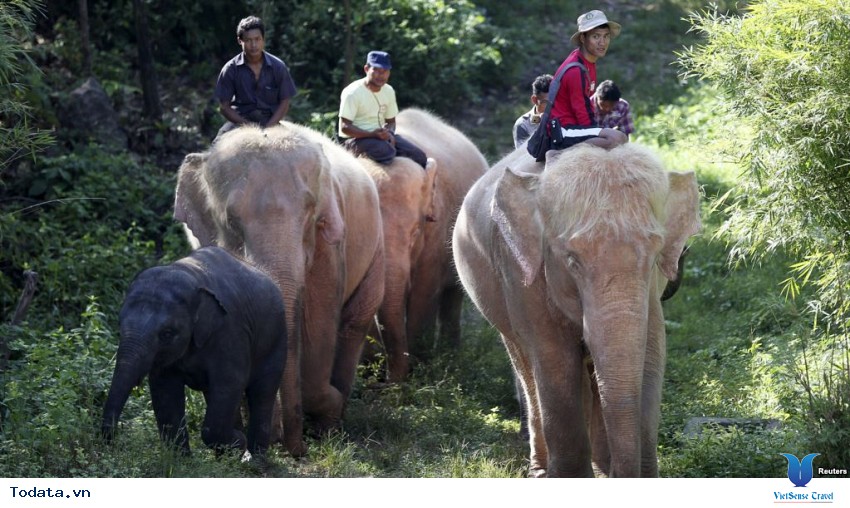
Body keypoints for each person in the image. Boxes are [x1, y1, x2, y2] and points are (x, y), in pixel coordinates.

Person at [549, 10, 627, 150]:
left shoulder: (586, 62)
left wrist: (598, 131)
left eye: (606, 36)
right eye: (595, 36)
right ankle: (558, 154)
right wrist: (597, 134)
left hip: (574, 126)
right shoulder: (576, 70)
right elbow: (582, 112)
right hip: (563, 130)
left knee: (614, 135)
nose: (602, 42)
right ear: (583, 38)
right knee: (618, 138)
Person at [338, 50, 428, 168]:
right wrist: (371, 134)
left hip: (380, 138)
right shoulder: (352, 92)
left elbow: (391, 121)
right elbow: (345, 128)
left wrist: (389, 133)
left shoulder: (388, 91)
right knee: (386, 151)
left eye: (385, 71)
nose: (381, 75)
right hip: (356, 140)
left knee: (419, 156)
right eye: (377, 70)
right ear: (366, 69)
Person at [213, 16, 297, 139]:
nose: (253, 45)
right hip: (240, 122)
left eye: (257, 39)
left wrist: (269, 127)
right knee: (216, 149)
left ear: (263, 39)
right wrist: (247, 126)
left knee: (297, 148)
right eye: (248, 40)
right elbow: (224, 107)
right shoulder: (230, 69)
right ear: (240, 41)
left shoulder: (278, 67)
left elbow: (285, 102)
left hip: (270, 122)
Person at [513, 74, 553, 148]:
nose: (552, 107)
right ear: (534, 100)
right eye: (546, 103)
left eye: (555, 102)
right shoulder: (523, 125)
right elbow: (522, 156)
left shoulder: (562, 116)